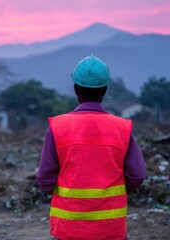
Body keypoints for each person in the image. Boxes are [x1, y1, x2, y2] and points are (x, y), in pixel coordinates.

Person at [37, 55, 146, 240]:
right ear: (104, 90)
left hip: (68, 227)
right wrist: (111, 196)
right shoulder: (122, 128)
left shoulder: (58, 127)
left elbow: (44, 178)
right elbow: (137, 174)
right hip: (111, 229)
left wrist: (66, 194)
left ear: (75, 88)